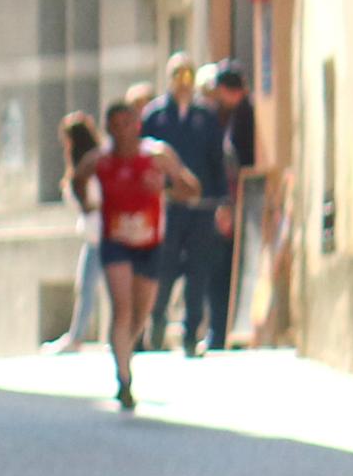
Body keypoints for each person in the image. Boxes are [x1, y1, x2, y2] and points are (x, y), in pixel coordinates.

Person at [72, 87, 200, 414]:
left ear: (137, 125)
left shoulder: (156, 156)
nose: (123, 132)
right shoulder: (99, 160)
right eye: (116, 126)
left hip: (149, 243)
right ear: (108, 129)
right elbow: (78, 177)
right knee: (122, 307)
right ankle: (123, 378)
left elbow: (192, 188)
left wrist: (165, 187)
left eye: (128, 124)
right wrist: (86, 203)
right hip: (115, 242)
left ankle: (124, 353)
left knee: (141, 313)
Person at [148, 59, 237, 359]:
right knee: (165, 267)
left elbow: (216, 160)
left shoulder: (205, 116)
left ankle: (191, 334)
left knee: (198, 270)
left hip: (201, 206)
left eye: (188, 75)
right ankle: (157, 320)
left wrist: (223, 201)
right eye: (178, 75)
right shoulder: (156, 116)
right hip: (169, 206)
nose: (183, 82)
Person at [202, 61, 262, 344]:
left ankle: (222, 330)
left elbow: (239, 166)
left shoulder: (244, 117)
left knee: (223, 270)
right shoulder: (227, 117)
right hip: (231, 205)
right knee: (219, 269)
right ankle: (220, 329)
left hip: (239, 205)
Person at [56, 111, 106, 350]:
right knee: (86, 287)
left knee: (110, 289)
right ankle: (76, 337)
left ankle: (114, 336)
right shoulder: (77, 169)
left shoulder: (98, 164)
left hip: (105, 234)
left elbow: (98, 199)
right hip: (92, 236)